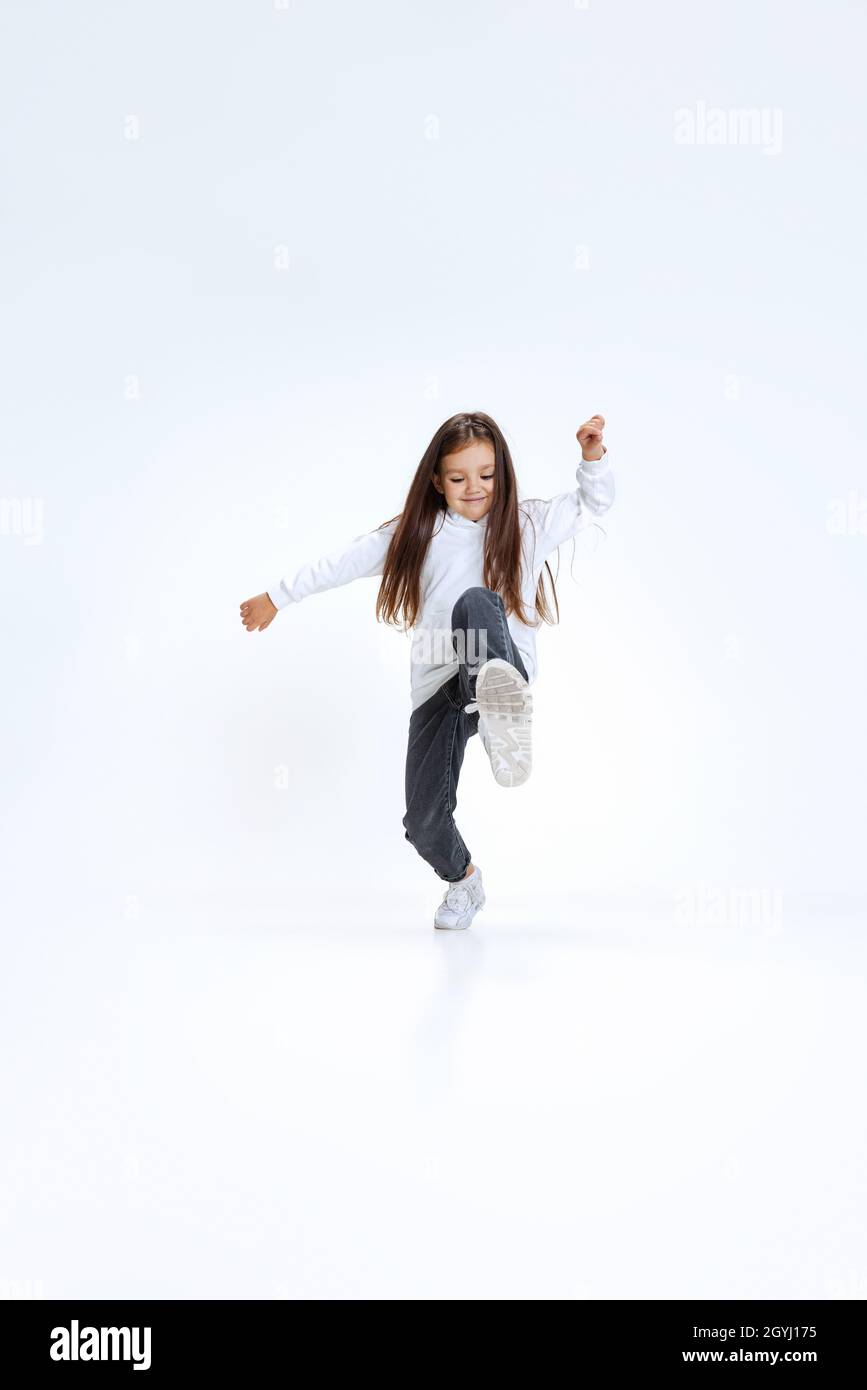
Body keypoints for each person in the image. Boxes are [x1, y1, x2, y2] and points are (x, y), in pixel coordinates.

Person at [240, 411, 614, 931]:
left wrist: (592, 457)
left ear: (502, 475)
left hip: (503, 662)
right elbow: (345, 562)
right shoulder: (421, 532)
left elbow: (594, 503)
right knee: (422, 822)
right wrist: (278, 597)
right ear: (437, 481)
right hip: (440, 687)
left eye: (486, 475)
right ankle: (464, 879)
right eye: (458, 478)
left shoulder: (527, 524)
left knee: (476, 603)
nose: (474, 488)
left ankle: (502, 707)